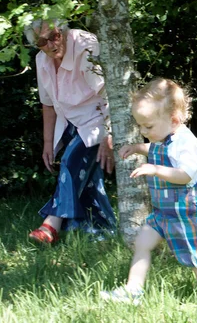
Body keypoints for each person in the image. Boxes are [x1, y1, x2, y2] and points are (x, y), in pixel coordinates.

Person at [101, 77, 197, 305]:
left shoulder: (187, 144)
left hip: (186, 214)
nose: (144, 131)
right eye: (141, 126)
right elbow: (155, 148)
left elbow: (184, 175)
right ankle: (133, 290)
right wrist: (137, 148)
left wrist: (155, 169)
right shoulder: (165, 137)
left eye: (148, 126)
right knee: (142, 243)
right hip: (163, 213)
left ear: (174, 120)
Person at [24, 18, 117, 244]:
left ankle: (50, 225)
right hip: (69, 122)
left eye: (54, 36)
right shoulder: (41, 61)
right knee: (90, 181)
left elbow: (110, 94)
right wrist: (48, 142)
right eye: (41, 42)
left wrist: (109, 135)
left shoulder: (85, 45)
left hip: (97, 119)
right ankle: (102, 230)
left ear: (63, 31)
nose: (50, 45)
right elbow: (47, 103)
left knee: (70, 162)